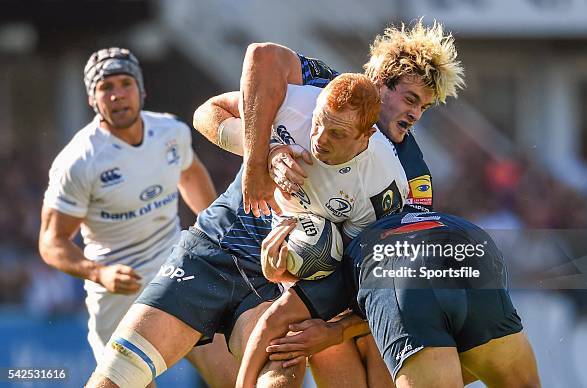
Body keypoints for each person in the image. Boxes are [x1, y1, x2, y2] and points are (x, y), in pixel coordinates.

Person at [85, 72, 408, 388]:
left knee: (278, 378)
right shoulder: (297, 103)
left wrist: (322, 315)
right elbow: (206, 113)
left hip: (275, 289)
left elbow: (366, 280)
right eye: (318, 123)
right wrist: (264, 151)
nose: (319, 139)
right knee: (118, 374)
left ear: (365, 136)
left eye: (336, 134)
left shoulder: (383, 186)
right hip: (214, 248)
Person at [227, 20, 466, 387]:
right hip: (308, 283)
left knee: (367, 336)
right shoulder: (328, 92)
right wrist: (262, 158)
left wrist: (337, 330)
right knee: (301, 341)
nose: (416, 114)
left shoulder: (412, 175)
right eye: (411, 99)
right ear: (380, 84)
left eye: (424, 108)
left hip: (364, 309)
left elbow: (402, 275)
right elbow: (231, 89)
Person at [38, 47, 237, 387]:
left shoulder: (170, 132)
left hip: (175, 272)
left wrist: (217, 240)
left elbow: (188, 174)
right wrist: (99, 272)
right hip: (117, 293)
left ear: (141, 90)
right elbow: (51, 242)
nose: (117, 95)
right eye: (106, 87)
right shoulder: (79, 161)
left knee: (236, 378)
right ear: (92, 98)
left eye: (125, 83)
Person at [259, 210, 541, 388]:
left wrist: (332, 331)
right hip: (470, 244)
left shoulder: (338, 270)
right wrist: (335, 332)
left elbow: (274, 319)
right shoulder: (405, 193)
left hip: (401, 277)